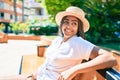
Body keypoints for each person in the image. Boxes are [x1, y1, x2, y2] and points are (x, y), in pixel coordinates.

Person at [0, 6, 117, 80]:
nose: (69, 27)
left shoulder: (78, 42)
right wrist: (32, 75)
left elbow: (110, 58)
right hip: (36, 76)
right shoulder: (57, 40)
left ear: (78, 27)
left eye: (74, 23)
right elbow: (48, 64)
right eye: (66, 22)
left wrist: (74, 69)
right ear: (61, 24)